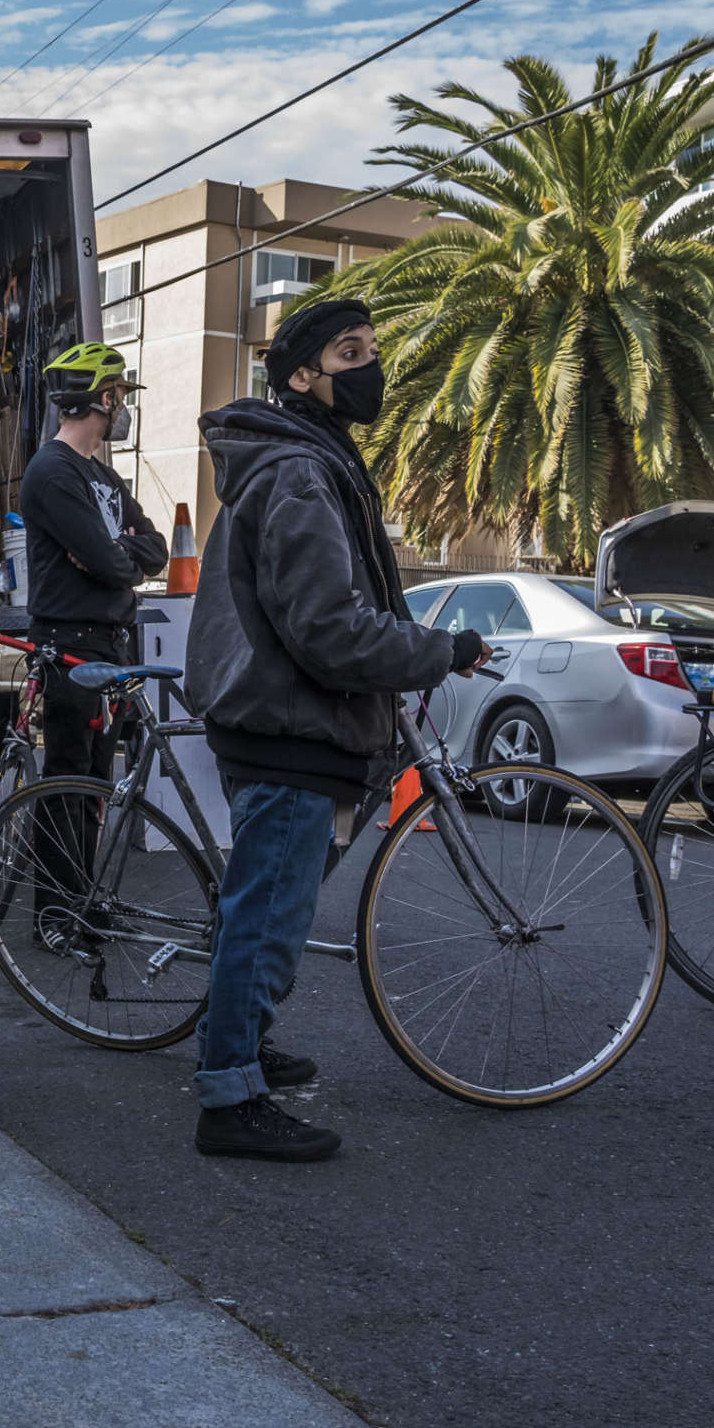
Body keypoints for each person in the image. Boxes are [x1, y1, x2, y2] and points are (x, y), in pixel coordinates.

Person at [183, 297, 491, 1161]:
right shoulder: (298, 473)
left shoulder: (306, 461)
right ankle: (228, 1097)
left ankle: (236, 1041)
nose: (371, 367)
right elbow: (327, 628)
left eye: (372, 350)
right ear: (301, 377)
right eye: (350, 352)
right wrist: (441, 649)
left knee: (268, 906)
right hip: (290, 724)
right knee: (268, 913)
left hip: (293, 721)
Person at [17, 342, 167, 939]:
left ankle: (82, 906)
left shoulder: (102, 475)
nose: (124, 407)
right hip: (71, 644)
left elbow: (148, 547)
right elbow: (109, 563)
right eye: (122, 396)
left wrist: (115, 554)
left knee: (96, 786)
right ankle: (56, 916)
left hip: (110, 645)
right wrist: (113, 557)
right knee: (68, 782)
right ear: (102, 398)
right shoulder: (52, 472)